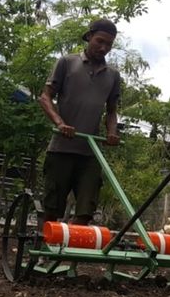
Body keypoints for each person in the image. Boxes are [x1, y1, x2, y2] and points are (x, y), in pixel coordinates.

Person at [39, 18, 121, 226]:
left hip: (89, 152)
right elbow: (45, 97)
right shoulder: (67, 63)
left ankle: (65, 249)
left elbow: (111, 110)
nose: (103, 48)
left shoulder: (112, 75)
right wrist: (60, 123)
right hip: (61, 148)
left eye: (108, 45)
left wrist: (112, 132)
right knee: (52, 209)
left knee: (86, 211)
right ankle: (45, 253)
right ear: (89, 37)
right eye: (99, 41)